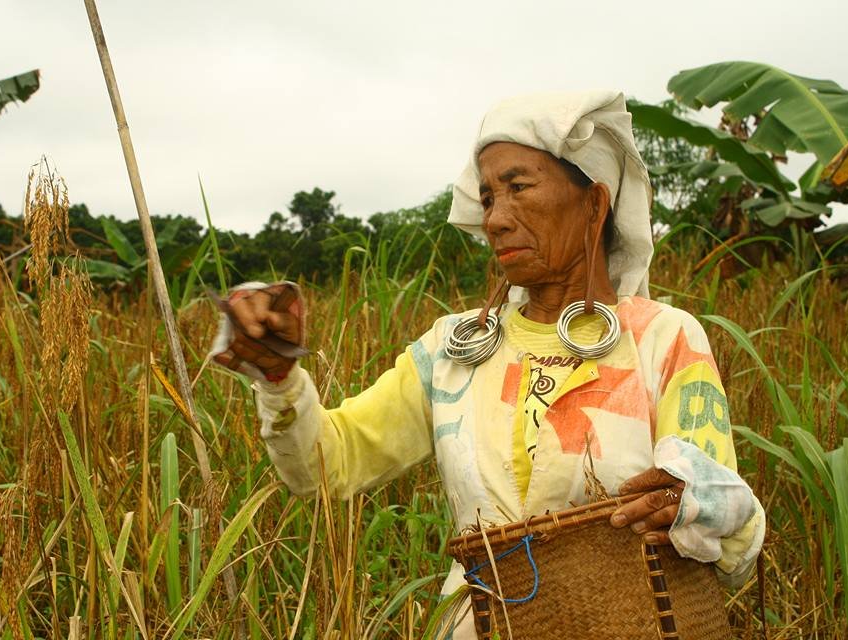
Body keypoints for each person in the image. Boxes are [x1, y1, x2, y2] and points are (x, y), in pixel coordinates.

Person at [212, 91, 765, 638]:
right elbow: (327, 465)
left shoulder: (662, 339)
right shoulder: (451, 351)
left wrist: (693, 503)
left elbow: (726, 517)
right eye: (487, 197)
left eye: (518, 188)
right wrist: (279, 379)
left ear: (594, 204)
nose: (496, 219)